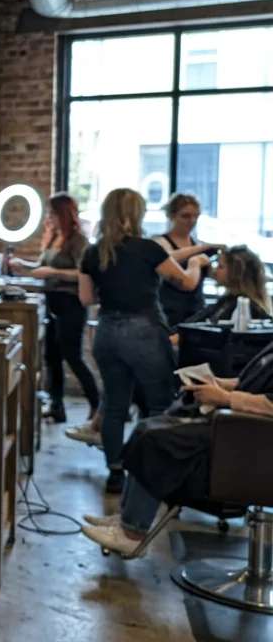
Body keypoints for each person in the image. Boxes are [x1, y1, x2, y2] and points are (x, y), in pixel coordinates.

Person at [80, 338, 273, 557]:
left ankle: (132, 534)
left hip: (250, 446)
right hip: (238, 432)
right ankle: (126, 518)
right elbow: (251, 382)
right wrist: (218, 384)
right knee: (147, 429)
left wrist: (227, 398)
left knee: (159, 442)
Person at [77, 188, 208, 494]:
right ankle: (151, 475)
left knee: (115, 405)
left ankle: (114, 471)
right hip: (145, 332)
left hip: (107, 332)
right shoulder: (148, 249)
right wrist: (197, 262)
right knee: (160, 404)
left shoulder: (92, 253)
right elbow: (186, 283)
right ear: (137, 214)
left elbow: (85, 298)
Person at [10, 192, 100, 424]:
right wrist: (25, 268)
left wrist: (53, 273)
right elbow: (43, 267)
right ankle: (56, 405)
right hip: (52, 303)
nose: (48, 217)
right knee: (52, 356)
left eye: (52, 212)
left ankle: (98, 405)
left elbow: (85, 273)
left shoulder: (78, 241)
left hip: (71, 304)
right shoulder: (53, 238)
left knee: (72, 356)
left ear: (64, 213)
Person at [154, 193, 217, 331]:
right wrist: (199, 250)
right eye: (185, 216)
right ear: (171, 216)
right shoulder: (160, 242)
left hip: (196, 310)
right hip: (168, 311)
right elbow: (166, 257)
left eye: (196, 216)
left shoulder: (199, 245)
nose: (191, 221)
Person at [178, 245, 272, 327]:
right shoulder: (225, 302)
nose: (214, 271)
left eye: (220, 267)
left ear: (236, 272)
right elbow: (187, 327)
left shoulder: (246, 309)